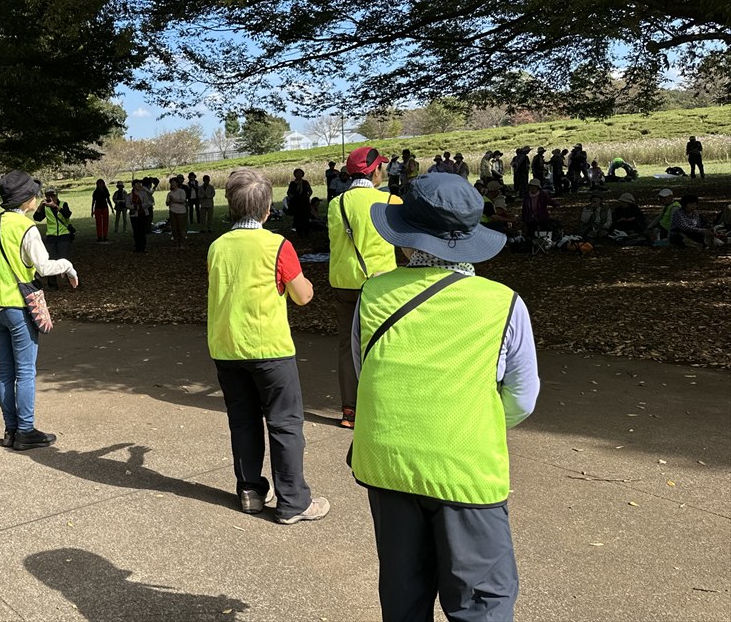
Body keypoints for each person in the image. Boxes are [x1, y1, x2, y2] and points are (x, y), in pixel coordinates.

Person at [352, 173, 539, 622]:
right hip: (465, 469)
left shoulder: (372, 294)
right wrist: (476, 419)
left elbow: (366, 371)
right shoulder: (503, 303)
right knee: (481, 601)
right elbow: (522, 396)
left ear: (407, 239)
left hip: (389, 463)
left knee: (404, 593)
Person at [207, 168, 330, 525]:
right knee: (285, 423)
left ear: (231, 206)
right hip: (269, 348)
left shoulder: (217, 247)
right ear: (267, 209)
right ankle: (293, 501)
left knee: (243, 422)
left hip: (227, 346)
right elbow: (302, 296)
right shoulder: (277, 245)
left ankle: (250, 490)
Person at [0, 171, 78, 450]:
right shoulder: (26, 228)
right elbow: (44, 266)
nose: (37, 198)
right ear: (26, 199)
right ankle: (25, 430)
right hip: (18, 305)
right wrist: (68, 266)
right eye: (34, 194)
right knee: (25, 372)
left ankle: (10, 430)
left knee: (6, 372)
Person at [327, 147, 400, 429]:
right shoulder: (391, 201)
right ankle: (380, 407)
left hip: (344, 282)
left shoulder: (337, 204)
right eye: (381, 167)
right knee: (381, 343)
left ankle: (350, 410)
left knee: (347, 346)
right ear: (374, 171)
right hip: (380, 284)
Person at [33, 189, 75, 288]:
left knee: (64, 259)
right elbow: (37, 218)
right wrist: (40, 207)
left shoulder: (63, 204)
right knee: (50, 260)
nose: (51, 198)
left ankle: (72, 282)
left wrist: (56, 206)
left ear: (57, 196)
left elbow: (67, 214)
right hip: (51, 236)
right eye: (49, 196)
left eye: (53, 196)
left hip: (64, 235)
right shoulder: (45, 207)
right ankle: (52, 285)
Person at [286, 168, 312, 236]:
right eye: (297, 173)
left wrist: (308, 196)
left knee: (305, 216)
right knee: (297, 217)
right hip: (296, 202)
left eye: (300, 173)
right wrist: (291, 197)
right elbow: (289, 192)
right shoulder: (292, 183)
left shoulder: (305, 182)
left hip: (304, 201)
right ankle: (299, 232)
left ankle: (306, 232)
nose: (298, 175)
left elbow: (310, 191)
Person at [166, 176, 189, 247]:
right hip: (172, 211)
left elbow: (183, 201)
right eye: (171, 183)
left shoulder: (181, 191)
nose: (172, 184)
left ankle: (182, 243)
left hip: (181, 212)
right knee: (174, 228)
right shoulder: (170, 193)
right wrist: (168, 201)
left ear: (177, 183)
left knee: (181, 228)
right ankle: (176, 242)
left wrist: (174, 200)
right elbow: (167, 203)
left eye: (173, 182)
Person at [129, 179, 148, 253]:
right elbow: (127, 204)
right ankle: (137, 247)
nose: (139, 185)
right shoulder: (130, 195)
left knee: (142, 230)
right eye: (137, 184)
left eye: (140, 184)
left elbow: (146, 203)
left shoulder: (144, 194)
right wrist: (134, 207)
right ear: (133, 186)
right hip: (134, 215)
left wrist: (138, 206)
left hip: (142, 214)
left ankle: (143, 246)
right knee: (136, 231)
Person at [91, 179, 111, 243]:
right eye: (99, 184)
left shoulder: (105, 191)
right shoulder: (95, 192)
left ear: (103, 184)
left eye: (101, 183)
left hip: (105, 207)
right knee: (98, 223)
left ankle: (105, 236)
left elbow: (108, 199)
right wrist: (92, 210)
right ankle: (99, 236)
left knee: (105, 222)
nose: (100, 185)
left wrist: (111, 207)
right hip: (98, 208)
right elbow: (93, 201)